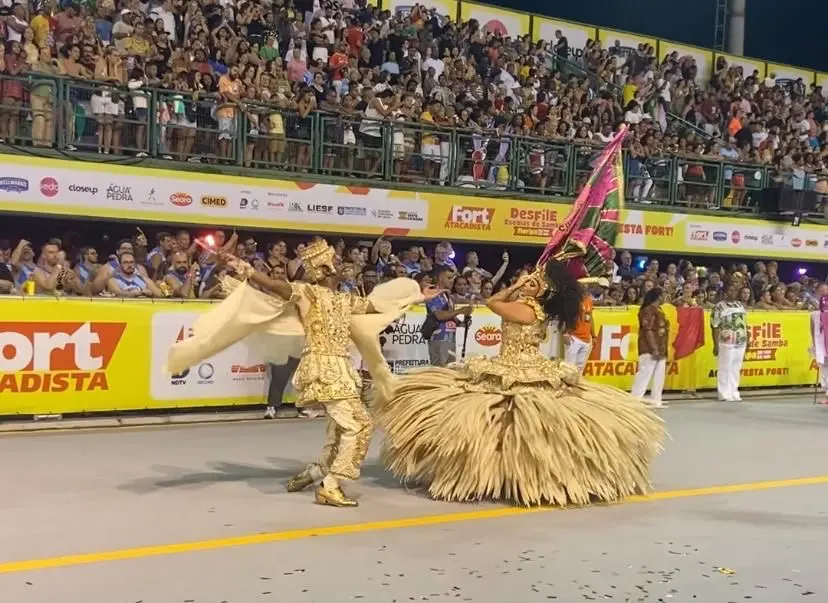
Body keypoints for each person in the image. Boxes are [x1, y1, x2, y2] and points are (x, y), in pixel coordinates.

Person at [167, 239, 440, 508]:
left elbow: (377, 307)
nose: (341, 264)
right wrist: (239, 264)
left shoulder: (346, 300)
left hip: (341, 369)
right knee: (360, 425)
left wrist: (417, 297)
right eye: (335, 260)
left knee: (339, 429)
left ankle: (316, 471)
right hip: (324, 368)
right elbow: (274, 285)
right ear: (325, 268)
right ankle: (331, 485)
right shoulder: (308, 293)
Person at [374, 259, 664, 506]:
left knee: (512, 422)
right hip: (506, 364)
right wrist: (520, 285)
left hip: (523, 368)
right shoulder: (523, 304)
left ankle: (520, 475)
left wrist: (515, 286)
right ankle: (490, 473)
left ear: (542, 291)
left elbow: (492, 302)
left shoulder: (529, 310)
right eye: (526, 279)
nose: (526, 282)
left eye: (533, 282)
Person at [631, 288, 670, 408]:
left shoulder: (659, 310)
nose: (665, 297)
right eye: (664, 295)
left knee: (659, 376)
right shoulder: (647, 311)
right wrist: (654, 348)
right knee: (644, 373)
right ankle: (635, 399)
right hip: (649, 348)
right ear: (658, 297)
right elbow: (647, 330)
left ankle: (656, 400)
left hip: (661, 347)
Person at [711, 282, 750, 402]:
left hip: (740, 340)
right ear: (725, 292)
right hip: (726, 341)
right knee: (725, 367)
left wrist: (748, 340)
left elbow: (745, 324)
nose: (733, 293)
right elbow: (715, 326)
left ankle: (734, 391)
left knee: (736, 368)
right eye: (730, 290)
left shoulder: (739, 305)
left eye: (735, 290)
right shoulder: (719, 306)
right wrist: (715, 344)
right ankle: (723, 392)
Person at [563, 288, 594, 373]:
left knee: (579, 369)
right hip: (574, 337)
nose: (586, 287)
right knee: (569, 368)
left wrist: (593, 335)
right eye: (583, 286)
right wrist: (565, 333)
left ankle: (576, 382)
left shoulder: (589, 300)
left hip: (586, 339)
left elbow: (590, 318)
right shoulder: (574, 300)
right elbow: (567, 316)